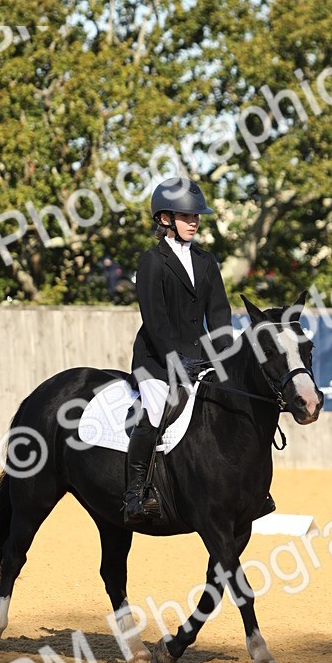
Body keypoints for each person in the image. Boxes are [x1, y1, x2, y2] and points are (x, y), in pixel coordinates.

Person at [123, 176, 233, 525]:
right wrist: (174, 360)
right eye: (187, 216)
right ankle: (135, 493)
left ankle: (244, 490)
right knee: (156, 410)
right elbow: (155, 320)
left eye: (196, 216)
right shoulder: (151, 261)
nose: (194, 221)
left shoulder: (206, 261)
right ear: (165, 218)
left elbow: (219, 315)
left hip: (200, 357)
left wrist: (227, 357)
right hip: (157, 360)